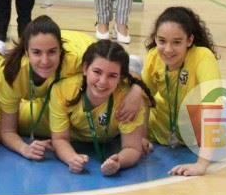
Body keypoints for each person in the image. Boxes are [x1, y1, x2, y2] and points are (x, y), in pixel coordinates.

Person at [0, 15, 144, 160]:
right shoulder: (13, 74)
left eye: (52, 51)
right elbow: (7, 130)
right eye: (36, 52)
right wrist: (24, 149)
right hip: (51, 96)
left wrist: (136, 92)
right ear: (26, 52)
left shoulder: (78, 60)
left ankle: (133, 62)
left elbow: (123, 73)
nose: (45, 61)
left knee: (132, 97)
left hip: (82, 49)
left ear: (61, 51)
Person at [49, 40, 152, 176]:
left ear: (120, 78)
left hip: (109, 138)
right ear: (85, 69)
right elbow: (59, 139)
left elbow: (132, 148)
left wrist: (119, 161)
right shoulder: (63, 90)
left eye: (112, 76)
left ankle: (133, 67)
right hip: (56, 126)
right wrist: (71, 158)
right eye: (97, 72)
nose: (103, 81)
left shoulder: (129, 100)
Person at [141, 6, 221, 176]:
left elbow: (212, 108)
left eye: (177, 42)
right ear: (155, 38)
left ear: (189, 40)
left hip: (194, 138)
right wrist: (141, 137)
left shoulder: (203, 57)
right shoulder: (153, 56)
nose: (168, 49)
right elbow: (143, 99)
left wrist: (201, 164)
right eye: (162, 41)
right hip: (159, 134)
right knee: (133, 91)